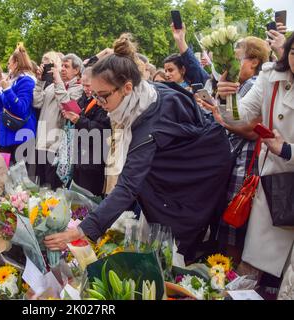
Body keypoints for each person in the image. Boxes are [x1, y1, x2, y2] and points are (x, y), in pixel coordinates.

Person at [44, 34, 232, 262]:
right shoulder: (141, 96)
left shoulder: (148, 124)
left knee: (173, 236)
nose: (100, 104)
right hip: (179, 162)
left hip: (200, 172)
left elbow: (128, 186)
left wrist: (81, 230)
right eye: (95, 96)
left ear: (127, 87)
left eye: (102, 97)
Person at [214, 33, 294, 283]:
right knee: (255, 270)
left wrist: (288, 150)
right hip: (273, 188)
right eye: (293, 52)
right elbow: (242, 116)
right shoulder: (271, 76)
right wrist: (228, 98)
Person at [198, 36, 271, 264]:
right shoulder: (239, 84)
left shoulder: (257, 85)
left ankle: (229, 278)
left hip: (247, 164)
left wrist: (223, 121)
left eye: (236, 58)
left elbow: (251, 130)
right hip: (235, 160)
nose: (231, 65)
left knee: (234, 225)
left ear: (254, 62)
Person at [33, 53, 84, 189]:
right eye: (61, 66)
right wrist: (40, 81)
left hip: (58, 146)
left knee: (54, 188)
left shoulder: (79, 89)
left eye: (66, 66)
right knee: (41, 186)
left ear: (77, 70)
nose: (62, 69)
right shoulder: (51, 86)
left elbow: (67, 105)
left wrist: (58, 82)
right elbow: (37, 102)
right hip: (42, 142)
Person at [62, 67, 110, 196]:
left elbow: (101, 131)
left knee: (88, 198)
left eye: (88, 86)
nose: (85, 89)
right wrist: (69, 114)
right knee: (76, 195)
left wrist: (78, 120)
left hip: (93, 159)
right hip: (78, 156)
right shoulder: (85, 97)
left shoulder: (103, 102)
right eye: (83, 85)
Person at [0, 44, 37, 164]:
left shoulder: (27, 81)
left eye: (9, 63)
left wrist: (7, 90)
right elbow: (0, 108)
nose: (8, 65)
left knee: (19, 177)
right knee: (3, 172)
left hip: (21, 135)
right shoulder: (11, 81)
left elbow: (21, 108)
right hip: (8, 133)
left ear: (16, 63)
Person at [163, 23, 210, 89]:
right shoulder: (165, 89)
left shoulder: (193, 88)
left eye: (170, 70)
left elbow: (193, 65)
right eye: (165, 71)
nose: (167, 74)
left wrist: (180, 40)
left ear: (182, 70)